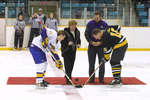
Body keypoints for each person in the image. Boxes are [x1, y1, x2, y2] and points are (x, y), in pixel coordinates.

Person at [84, 12, 108, 83]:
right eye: (95, 17)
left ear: (100, 17)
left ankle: (101, 79)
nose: (96, 19)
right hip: (92, 46)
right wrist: (91, 42)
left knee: (101, 63)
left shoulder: (104, 24)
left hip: (101, 46)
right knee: (91, 63)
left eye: (97, 18)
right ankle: (91, 78)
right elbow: (86, 34)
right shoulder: (90, 24)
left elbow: (107, 35)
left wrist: (101, 42)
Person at [61, 20, 81, 84]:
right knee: (67, 65)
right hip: (66, 50)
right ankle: (68, 79)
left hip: (73, 50)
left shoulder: (77, 32)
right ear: (69, 26)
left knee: (72, 64)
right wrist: (67, 43)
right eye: (71, 26)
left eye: (74, 25)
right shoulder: (65, 32)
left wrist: (78, 43)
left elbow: (78, 39)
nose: (73, 27)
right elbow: (61, 41)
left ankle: (68, 75)